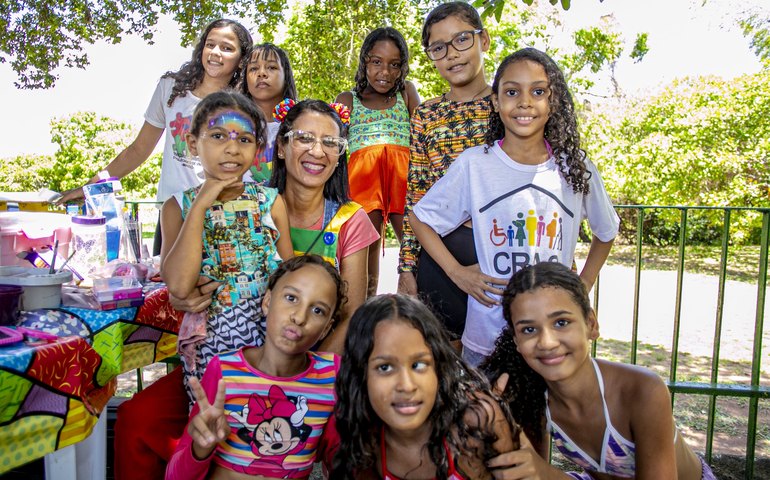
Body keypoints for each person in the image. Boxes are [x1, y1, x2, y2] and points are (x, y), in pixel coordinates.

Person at [408, 48, 619, 366]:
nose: (524, 102)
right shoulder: (476, 164)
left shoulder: (574, 167)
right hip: (487, 335)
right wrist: (458, 273)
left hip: (552, 337)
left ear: (554, 100)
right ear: (495, 101)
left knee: (548, 415)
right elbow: (421, 218)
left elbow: (607, 231)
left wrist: (583, 287)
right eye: (511, 91)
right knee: (486, 414)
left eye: (537, 91)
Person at [483, 262, 716, 480]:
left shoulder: (642, 390)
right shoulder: (531, 394)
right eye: (529, 329)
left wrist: (547, 473)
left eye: (561, 323)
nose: (547, 342)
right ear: (516, 340)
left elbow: (542, 472)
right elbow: (529, 470)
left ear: (591, 325)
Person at [58, 19, 253, 257]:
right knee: (169, 287)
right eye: (210, 44)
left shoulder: (245, 102)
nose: (215, 53)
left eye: (227, 48)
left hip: (224, 212)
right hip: (173, 213)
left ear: (241, 58)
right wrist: (92, 186)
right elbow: (139, 149)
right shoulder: (171, 88)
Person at [161, 90, 294, 396]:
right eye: (218, 136)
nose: (232, 149)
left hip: (269, 343)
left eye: (245, 139)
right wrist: (201, 205)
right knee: (216, 428)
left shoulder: (270, 202)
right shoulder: (177, 207)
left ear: (258, 149)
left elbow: (288, 279)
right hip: (211, 348)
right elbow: (180, 287)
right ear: (193, 144)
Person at [166, 255, 347, 479]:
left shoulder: (332, 376)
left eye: (318, 310)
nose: (299, 317)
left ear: (327, 327)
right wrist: (200, 448)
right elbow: (175, 476)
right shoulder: (224, 371)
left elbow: (342, 460)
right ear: (267, 301)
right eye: (291, 298)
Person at [330, 294, 519, 479]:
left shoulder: (477, 421)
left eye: (419, 365)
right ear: (361, 375)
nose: (406, 385)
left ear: (439, 367)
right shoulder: (364, 443)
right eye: (385, 367)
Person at [397, 1, 494, 344]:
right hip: (441, 254)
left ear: (484, 40)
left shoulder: (511, 105)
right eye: (439, 47)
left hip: (504, 247)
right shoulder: (425, 115)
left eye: (462, 40)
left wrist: (567, 275)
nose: (452, 54)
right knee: (443, 361)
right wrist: (407, 267)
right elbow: (417, 192)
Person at [270, 99, 380, 354]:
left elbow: (350, 316)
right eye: (304, 138)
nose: (318, 152)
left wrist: (309, 377)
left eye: (330, 142)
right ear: (281, 148)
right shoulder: (254, 210)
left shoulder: (351, 220)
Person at [335, 27, 420, 297]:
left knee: (414, 246)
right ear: (364, 62)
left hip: (402, 180)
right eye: (376, 62)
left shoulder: (406, 93)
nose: (385, 72)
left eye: (394, 64)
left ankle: (415, 312)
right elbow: (333, 145)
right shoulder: (348, 100)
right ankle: (364, 314)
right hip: (363, 183)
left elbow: (422, 137)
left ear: (402, 68)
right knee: (365, 249)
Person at [239, 43, 298, 184]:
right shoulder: (232, 123)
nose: (262, 73)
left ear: (286, 76)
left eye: (271, 67)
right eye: (253, 68)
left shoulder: (300, 124)